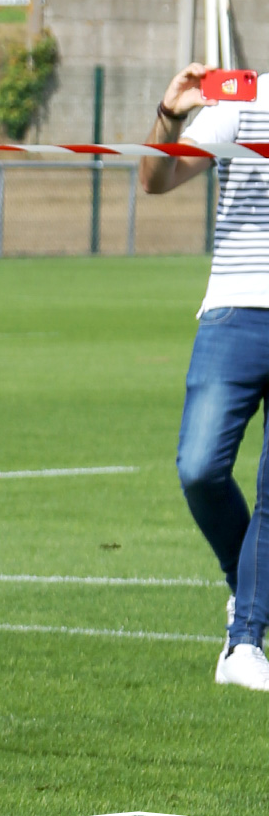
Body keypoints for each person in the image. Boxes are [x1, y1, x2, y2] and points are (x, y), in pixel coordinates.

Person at [141, 61, 269, 689]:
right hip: (235, 311)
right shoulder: (244, 100)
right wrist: (170, 114)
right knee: (199, 467)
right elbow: (154, 179)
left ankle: (243, 644)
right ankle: (241, 578)